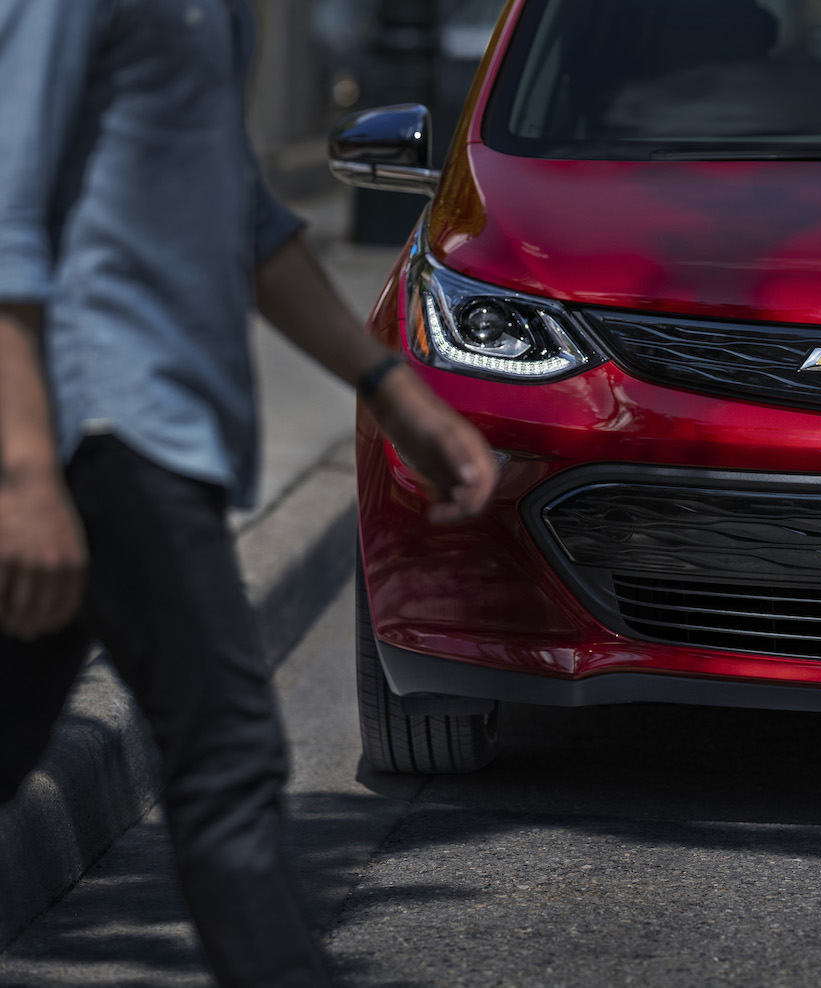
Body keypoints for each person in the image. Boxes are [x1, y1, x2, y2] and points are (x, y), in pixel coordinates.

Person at [0, 1, 499, 985]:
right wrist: (23, 472)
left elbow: (247, 220)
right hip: (104, 425)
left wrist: (396, 394)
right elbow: (4, 211)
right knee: (227, 757)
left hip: (149, 427)